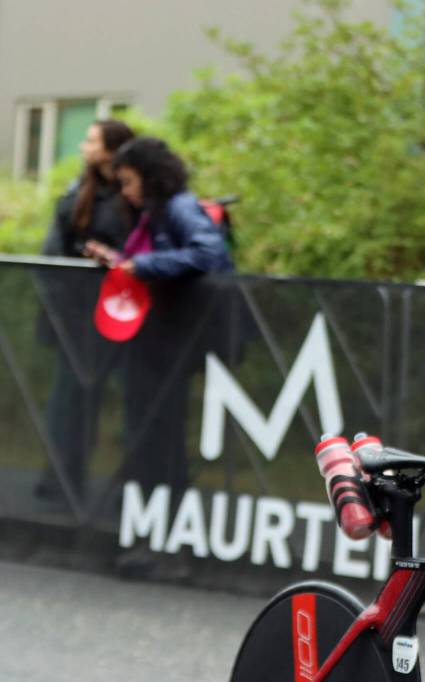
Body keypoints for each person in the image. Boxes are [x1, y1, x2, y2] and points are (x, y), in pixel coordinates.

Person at [83, 137, 232, 574]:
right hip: (154, 345)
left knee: (164, 445)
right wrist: (118, 261)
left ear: (148, 177)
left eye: (128, 181)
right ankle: (156, 541)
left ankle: (170, 548)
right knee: (150, 442)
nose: (124, 192)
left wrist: (144, 267)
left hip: (172, 346)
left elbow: (209, 253)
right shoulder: (153, 214)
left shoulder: (180, 207)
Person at [34, 119, 136, 509]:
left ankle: (129, 495)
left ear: (113, 148)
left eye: (92, 140)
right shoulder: (78, 193)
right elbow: (52, 255)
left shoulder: (133, 197)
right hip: (78, 323)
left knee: (134, 403)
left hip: (129, 321)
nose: (84, 146)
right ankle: (60, 482)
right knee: (69, 402)